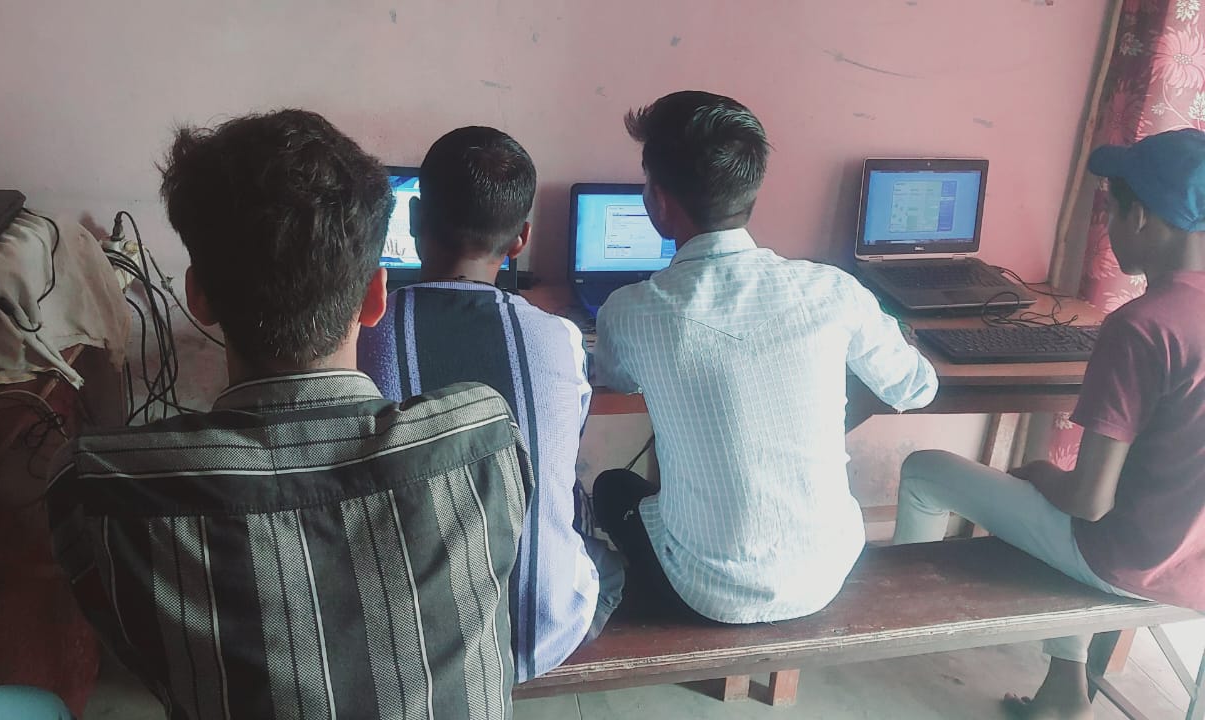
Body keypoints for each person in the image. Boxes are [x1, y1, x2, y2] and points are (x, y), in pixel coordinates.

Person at [47, 110, 531, 720]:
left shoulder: (94, 490)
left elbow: (147, 655)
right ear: (375, 296)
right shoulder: (485, 435)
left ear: (198, 297)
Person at [591, 91, 938, 624]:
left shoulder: (630, 310)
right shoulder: (833, 291)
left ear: (658, 200)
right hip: (827, 572)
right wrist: (898, 338)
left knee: (612, 487)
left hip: (707, 594)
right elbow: (915, 389)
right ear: (749, 191)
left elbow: (615, 379)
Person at [894, 128, 1205, 720]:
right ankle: (1065, 691)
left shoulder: (1143, 325)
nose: (1109, 227)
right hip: (1195, 567)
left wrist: (1038, 474)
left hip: (1129, 563)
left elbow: (1089, 503)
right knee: (1050, 508)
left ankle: (902, 633)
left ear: (1141, 217)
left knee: (927, 471)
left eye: (1112, 211)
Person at [358, 126, 615, 682]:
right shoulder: (560, 339)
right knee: (603, 555)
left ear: (414, 219)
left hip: (406, 647)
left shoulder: (363, 335)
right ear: (521, 239)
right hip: (539, 636)